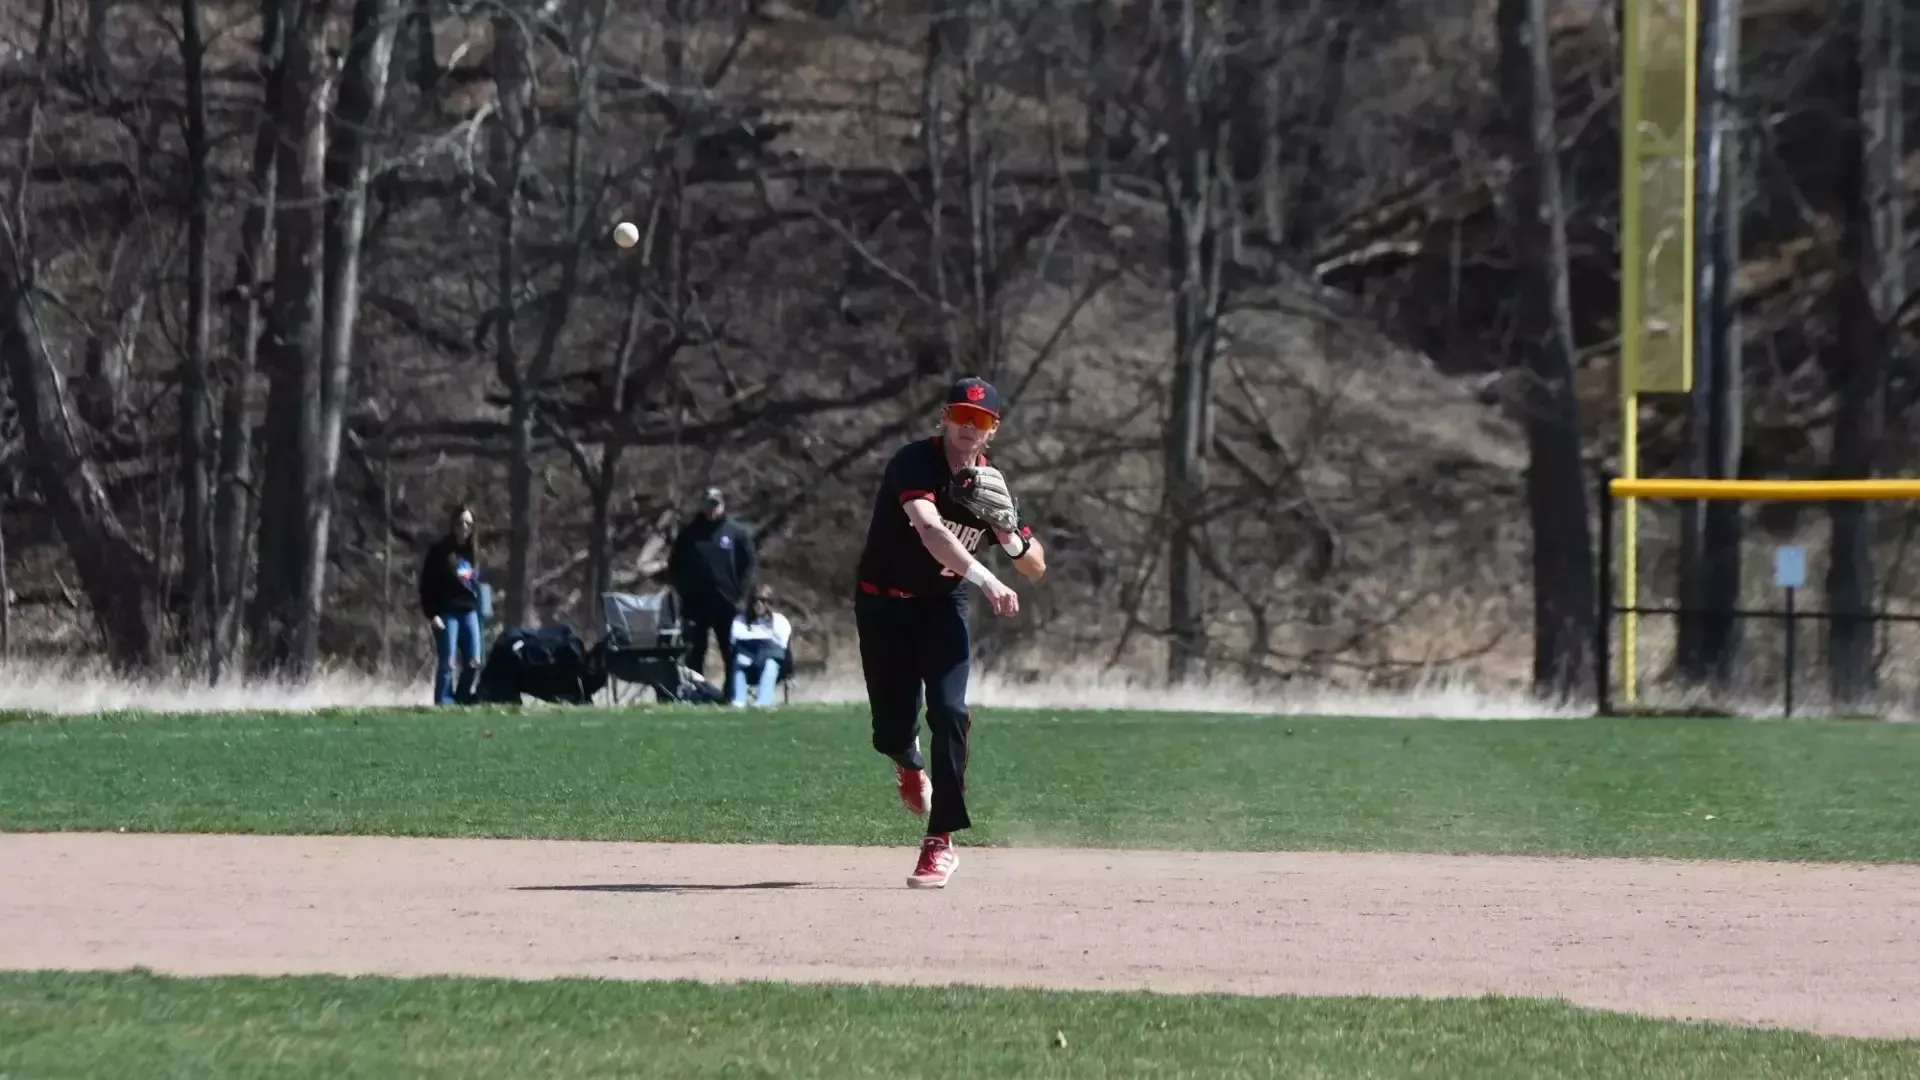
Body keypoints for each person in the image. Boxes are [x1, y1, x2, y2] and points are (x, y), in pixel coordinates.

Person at [853, 375, 1046, 889]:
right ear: (944, 417)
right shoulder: (915, 462)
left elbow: (1036, 567)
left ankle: (940, 842)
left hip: (942, 606)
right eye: (960, 415)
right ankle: (908, 761)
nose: (968, 426)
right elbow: (931, 531)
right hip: (882, 604)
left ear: (993, 430)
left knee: (950, 710)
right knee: (890, 730)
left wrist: (1008, 533)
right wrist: (986, 579)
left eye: (980, 420)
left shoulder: (991, 484)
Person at [666, 486, 757, 677]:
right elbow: (674, 566)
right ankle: (696, 694)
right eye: (708, 504)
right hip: (695, 605)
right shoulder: (689, 534)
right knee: (694, 653)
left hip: (727, 603)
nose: (711, 509)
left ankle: (732, 695)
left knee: (731, 651)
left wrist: (741, 593)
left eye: (715, 505)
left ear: (722, 505)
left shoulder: (736, 532)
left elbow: (749, 565)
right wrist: (684, 590)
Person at [418, 504, 485, 705]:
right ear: (453, 525)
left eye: (468, 523)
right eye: (460, 522)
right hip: (447, 612)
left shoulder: (473, 553)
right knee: (448, 663)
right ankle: (444, 703)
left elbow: (479, 585)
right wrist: (433, 614)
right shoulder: (440, 552)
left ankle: (462, 698)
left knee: (475, 661)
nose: (464, 527)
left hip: (470, 612)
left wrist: (484, 611)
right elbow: (426, 585)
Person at [728, 584, 793, 708]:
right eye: (755, 601)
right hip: (748, 665)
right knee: (739, 661)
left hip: (772, 667)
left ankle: (763, 702)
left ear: (769, 603)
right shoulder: (740, 621)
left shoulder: (779, 622)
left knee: (771, 662)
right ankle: (739, 700)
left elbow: (784, 651)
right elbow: (734, 645)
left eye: (763, 601)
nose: (758, 604)